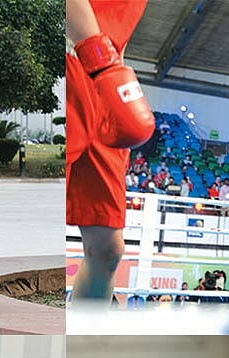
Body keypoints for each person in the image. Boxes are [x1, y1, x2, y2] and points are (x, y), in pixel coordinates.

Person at [66, 0, 155, 301]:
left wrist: (118, 82)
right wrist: (102, 62)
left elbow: (117, 31)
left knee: (107, 249)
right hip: (70, 63)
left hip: (104, 81)